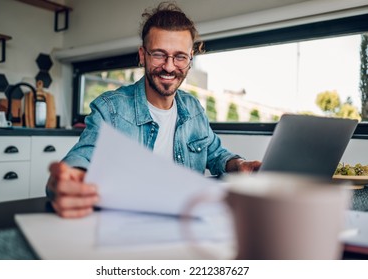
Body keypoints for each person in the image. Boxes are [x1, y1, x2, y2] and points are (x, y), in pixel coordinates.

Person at [46, 1, 261, 218]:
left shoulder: (194, 109)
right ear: (142, 55)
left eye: (179, 57)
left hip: (186, 222)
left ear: (189, 60)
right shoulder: (110, 108)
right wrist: (69, 181)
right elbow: (82, 158)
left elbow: (215, 154)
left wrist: (239, 165)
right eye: (159, 54)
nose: (169, 66)